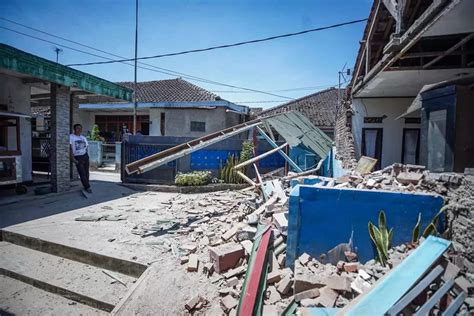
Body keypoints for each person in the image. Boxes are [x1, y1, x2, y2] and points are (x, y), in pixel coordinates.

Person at [70, 124, 91, 193]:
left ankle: (86, 184)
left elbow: (86, 147)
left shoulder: (83, 138)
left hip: (85, 156)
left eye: (80, 128)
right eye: (77, 128)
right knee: (82, 173)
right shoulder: (71, 137)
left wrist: (87, 156)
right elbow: (69, 148)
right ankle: (87, 187)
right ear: (74, 129)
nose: (79, 130)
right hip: (78, 157)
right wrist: (72, 158)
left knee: (86, 172)